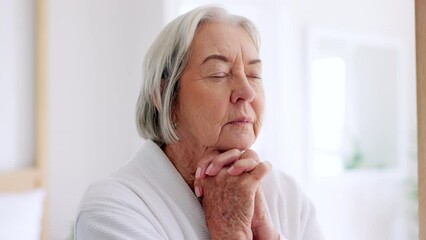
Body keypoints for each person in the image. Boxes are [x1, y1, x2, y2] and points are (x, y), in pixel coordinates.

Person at [75, 5, 324, 240]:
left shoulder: (286, 195)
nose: (247, 91)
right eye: (219, 74)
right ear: (164, 96)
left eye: (254, 75)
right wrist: (230, 232)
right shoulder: (110, 208)